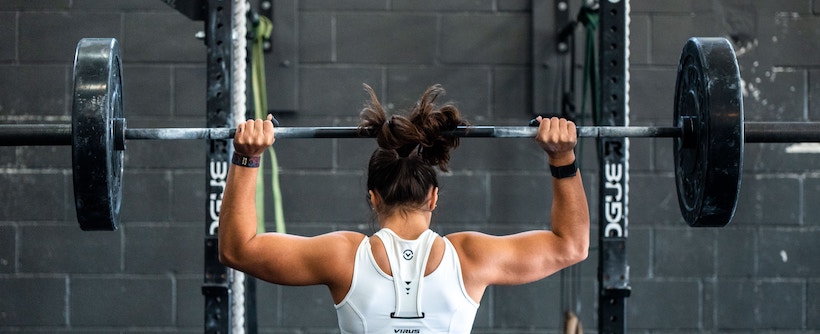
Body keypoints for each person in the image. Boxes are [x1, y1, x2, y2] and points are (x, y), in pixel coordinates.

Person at [219, 84, 590, 333]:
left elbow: (237, 249)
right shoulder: (471, 258)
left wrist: (247, 157)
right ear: (433, 197)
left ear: (373, 197)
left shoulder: (342, 256)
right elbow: (571, 245)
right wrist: (563, 157)